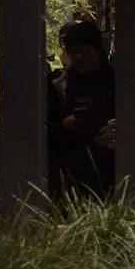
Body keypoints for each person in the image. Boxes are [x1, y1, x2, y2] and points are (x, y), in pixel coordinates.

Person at [49, 18, 116, 198]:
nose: (79, 57)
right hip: (71, 172)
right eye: (74, 52)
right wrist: (64, 125)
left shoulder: (115, 82)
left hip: (110, 170)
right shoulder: (59, 85)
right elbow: (44, 131)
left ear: (97, 51)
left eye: (85, 51)